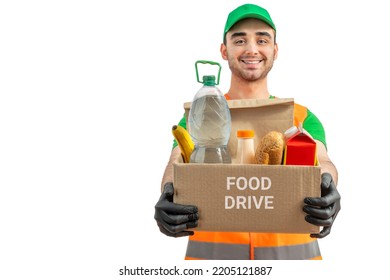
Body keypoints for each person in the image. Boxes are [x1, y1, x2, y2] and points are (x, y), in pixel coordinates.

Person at [155, 3, 341, 260]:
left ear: (275, 50)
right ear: (224, 50)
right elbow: (177, 160)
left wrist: (328, 187)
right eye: (239, 39)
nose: (252, 49)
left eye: (262, 40)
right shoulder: (200, 114)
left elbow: (324, 162)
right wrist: (167, 191)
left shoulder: (302, 117)